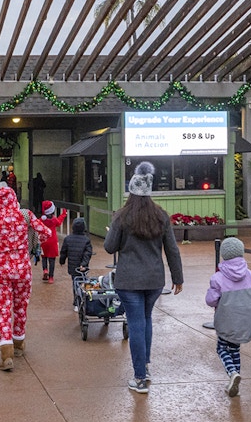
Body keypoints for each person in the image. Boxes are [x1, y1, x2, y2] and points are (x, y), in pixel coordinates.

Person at [103, 161, 184, 394]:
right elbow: (172, 249)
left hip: (129, 281)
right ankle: (145, 367)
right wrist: (178, 278)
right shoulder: (161, 216)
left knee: (136, 323)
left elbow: (109, 248)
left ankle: (140, 378)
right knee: (146, 320)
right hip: (154, 280)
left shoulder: (122, 216)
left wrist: (114, 235)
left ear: (131, 190)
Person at [0, 183, 52, 371]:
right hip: (23, 270)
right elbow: (46, 232)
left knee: (4, 310)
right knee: (21, 307)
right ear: (15, 199)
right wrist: (32, 244)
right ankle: (19, 343)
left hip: (1, 271)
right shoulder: (26, 215)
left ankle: (6, 354)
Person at [206, 237, 251, 397]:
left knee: (221, 348)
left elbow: (211, 300)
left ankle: (232, 373)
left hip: (226, 321)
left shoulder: (218, 278)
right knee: (235, 349)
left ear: (223, 255)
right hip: (244, 320)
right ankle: (236, 379)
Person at [59, 216, 93, 309]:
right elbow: (88, 253)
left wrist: (62, 261)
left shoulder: (68, 239)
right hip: (83, 267)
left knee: (75, 283)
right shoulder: (86, 240)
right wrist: (84, 264)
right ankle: (86, 300)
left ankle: (77, 302)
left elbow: (63, 252)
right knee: (83, 281)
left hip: (73, 267)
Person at [37, 200, 68, 283]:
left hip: (44, 240)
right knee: (52, 260)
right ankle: (51, 277)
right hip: (52, 241)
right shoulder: (54, 220)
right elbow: (59, 222)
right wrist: (63, 214)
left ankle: (45, 270)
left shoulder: (41, 220)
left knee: (44, 257)